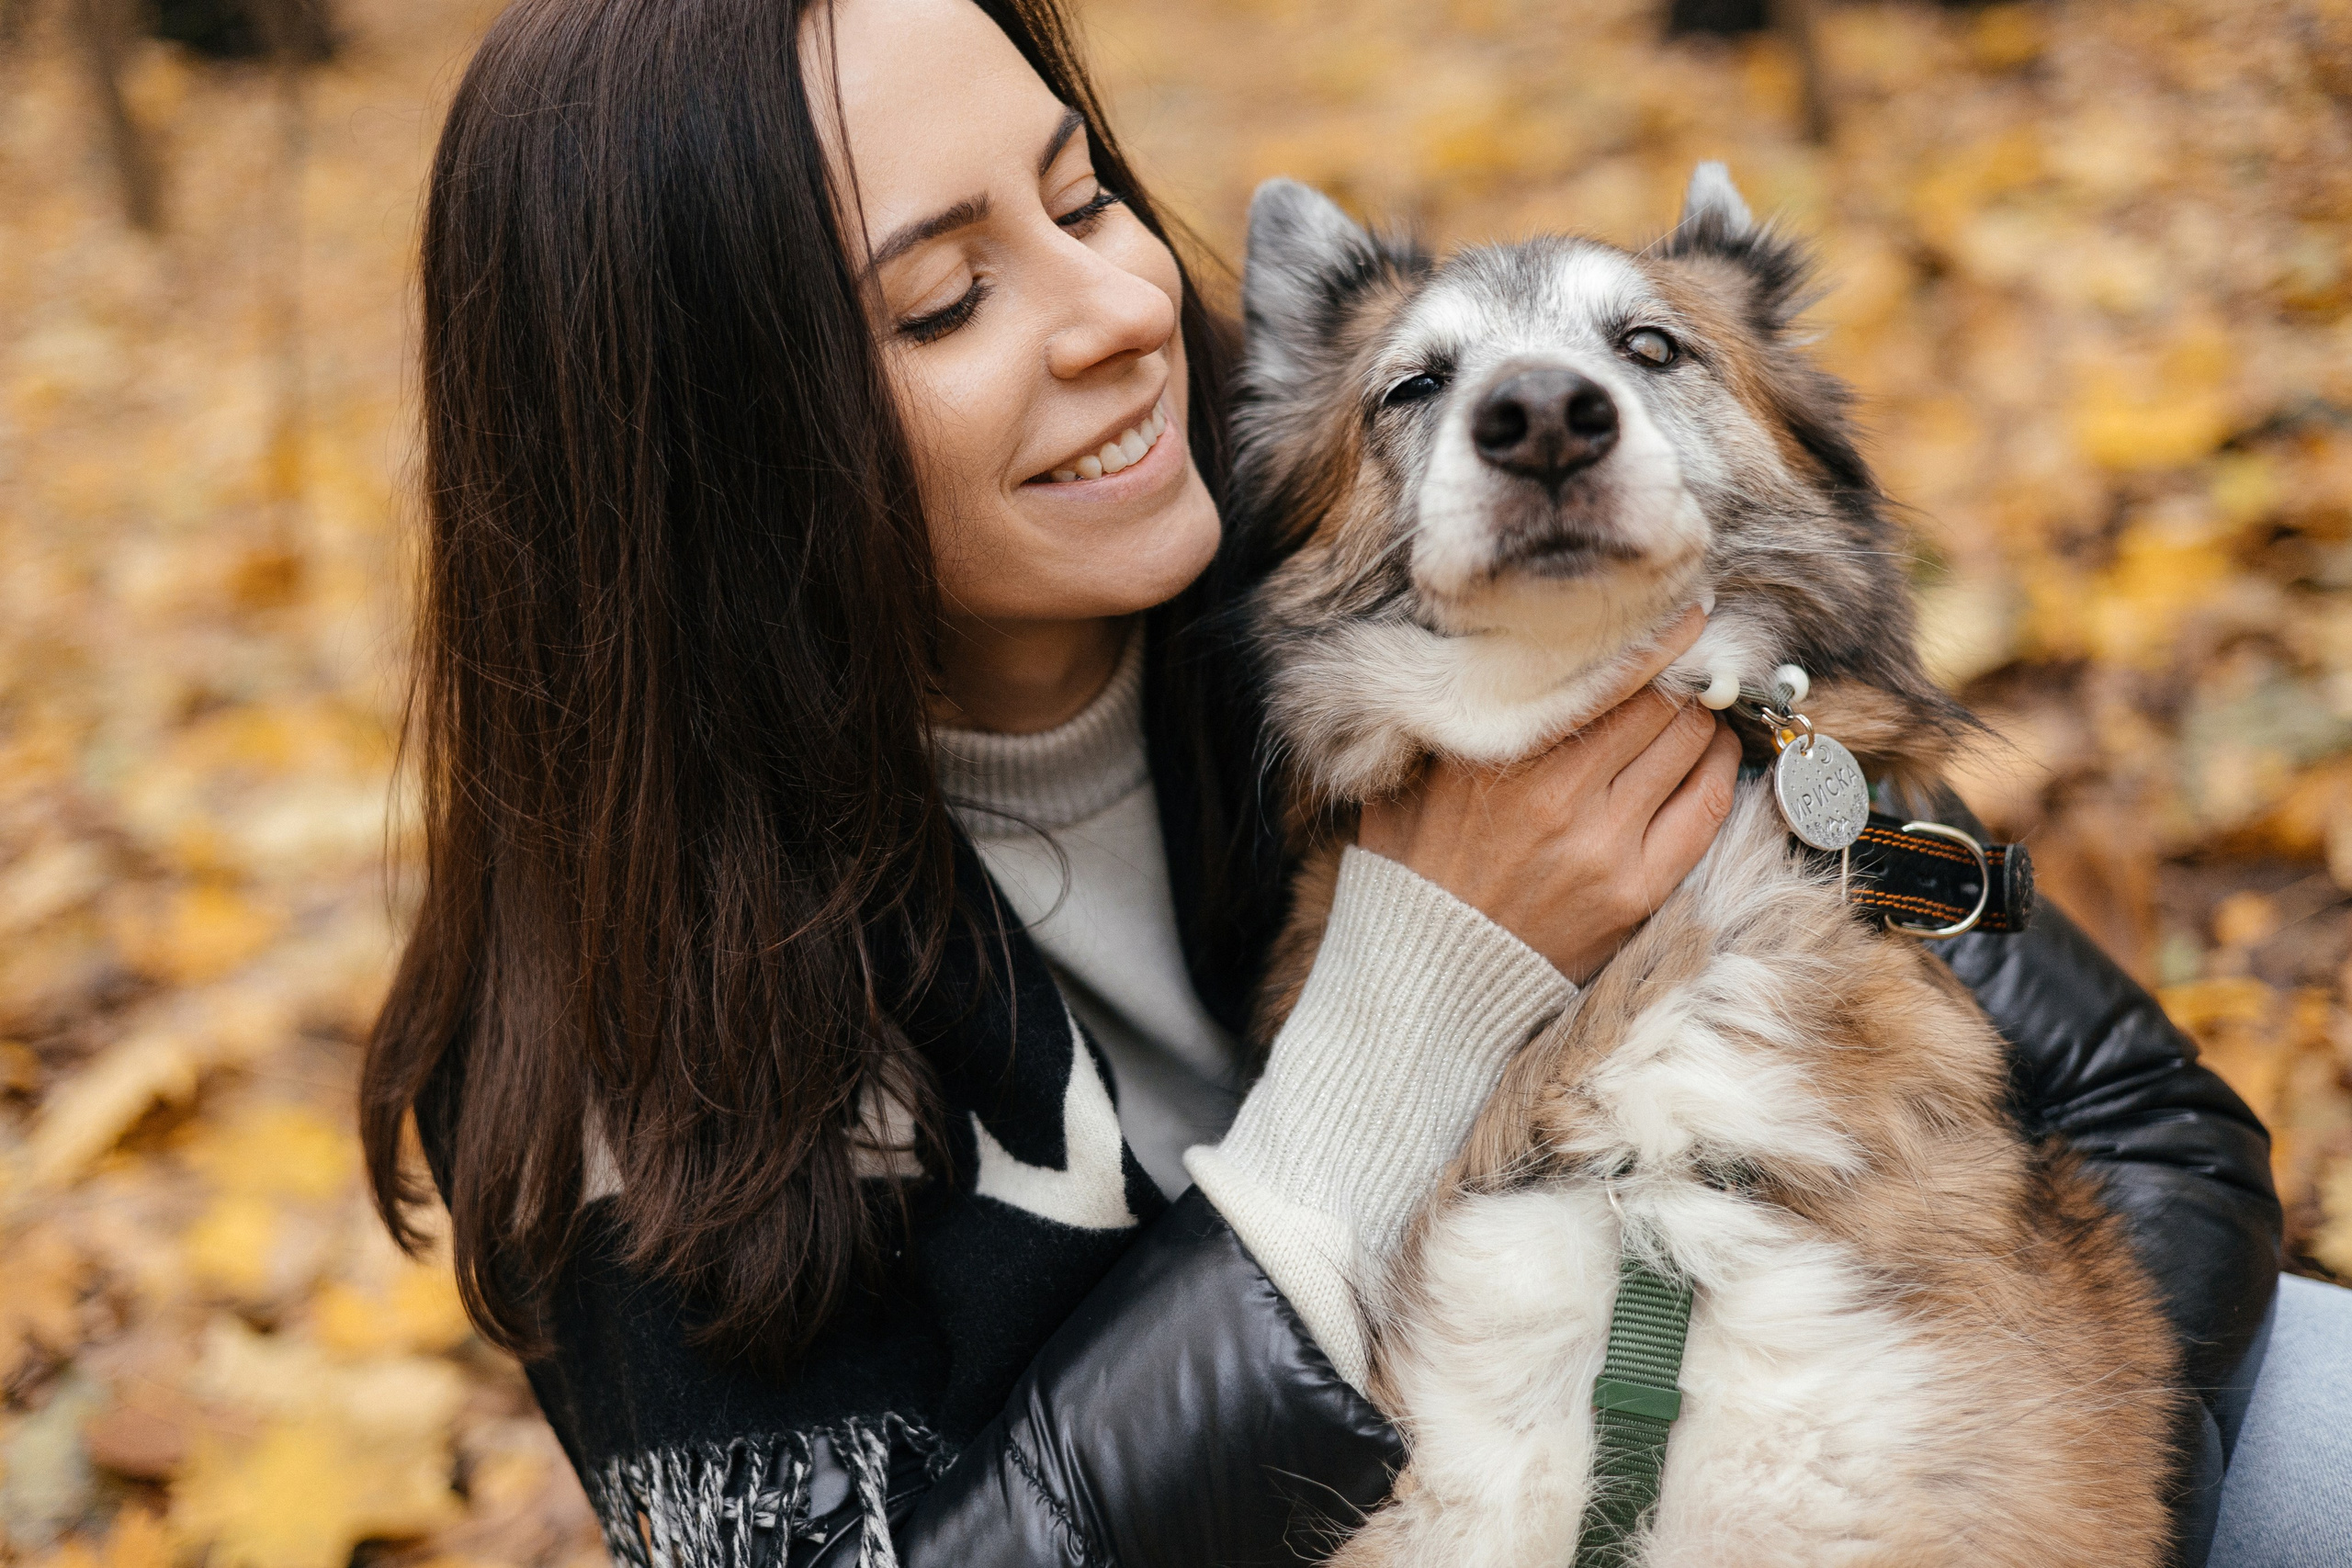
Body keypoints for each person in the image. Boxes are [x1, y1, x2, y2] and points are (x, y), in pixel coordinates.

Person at [357, 0, 2328, 1563]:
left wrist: (2006, 1482)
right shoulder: (623, 1025)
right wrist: (1404, 1000)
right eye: (945, 297)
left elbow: (2144, 1118)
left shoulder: (1397, 568)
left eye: (1083, 199)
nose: (1126, 314)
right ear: (715, 450)